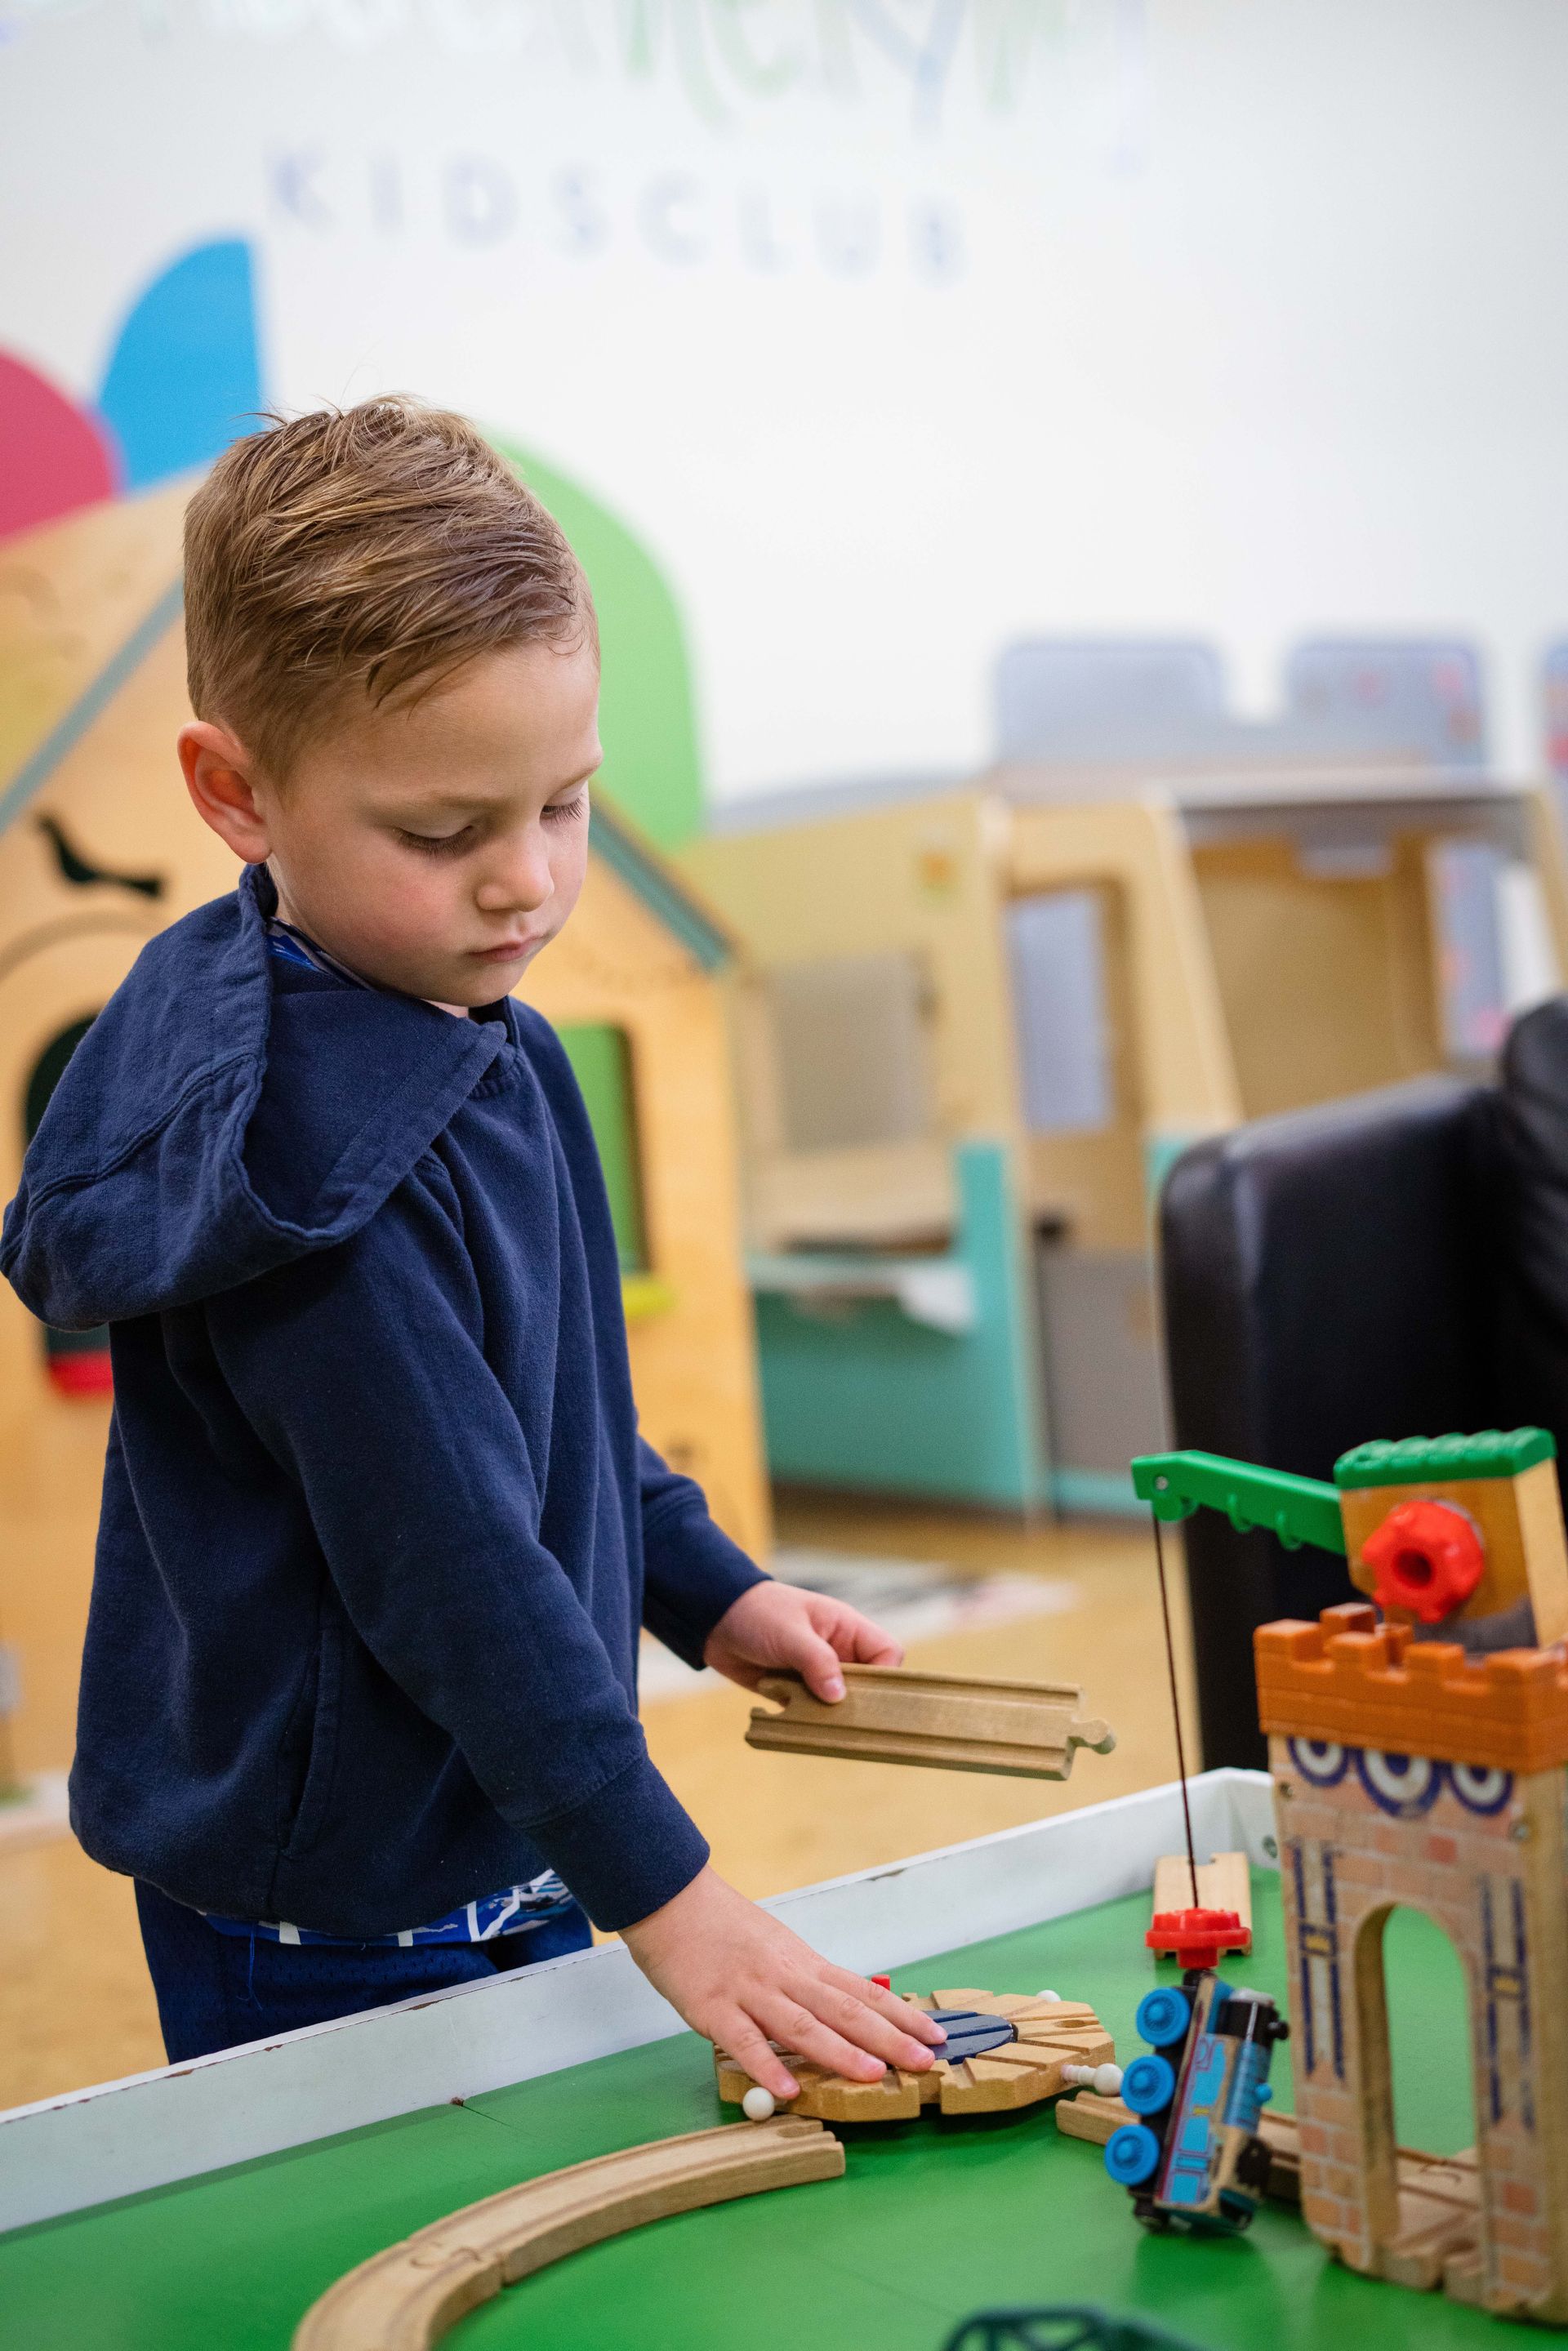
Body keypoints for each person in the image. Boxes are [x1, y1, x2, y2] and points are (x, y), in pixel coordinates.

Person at [0, 399, 945, 2098]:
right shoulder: (308, 1173)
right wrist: (675, 1896)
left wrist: (708, 1589)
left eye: (566, 806)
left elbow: (552, 1419)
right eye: (443, 834)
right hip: (339, 1898)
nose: (525, 883)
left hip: (493, 1821)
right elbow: (453, 1565)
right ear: (237, 794)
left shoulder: (485, 1026)